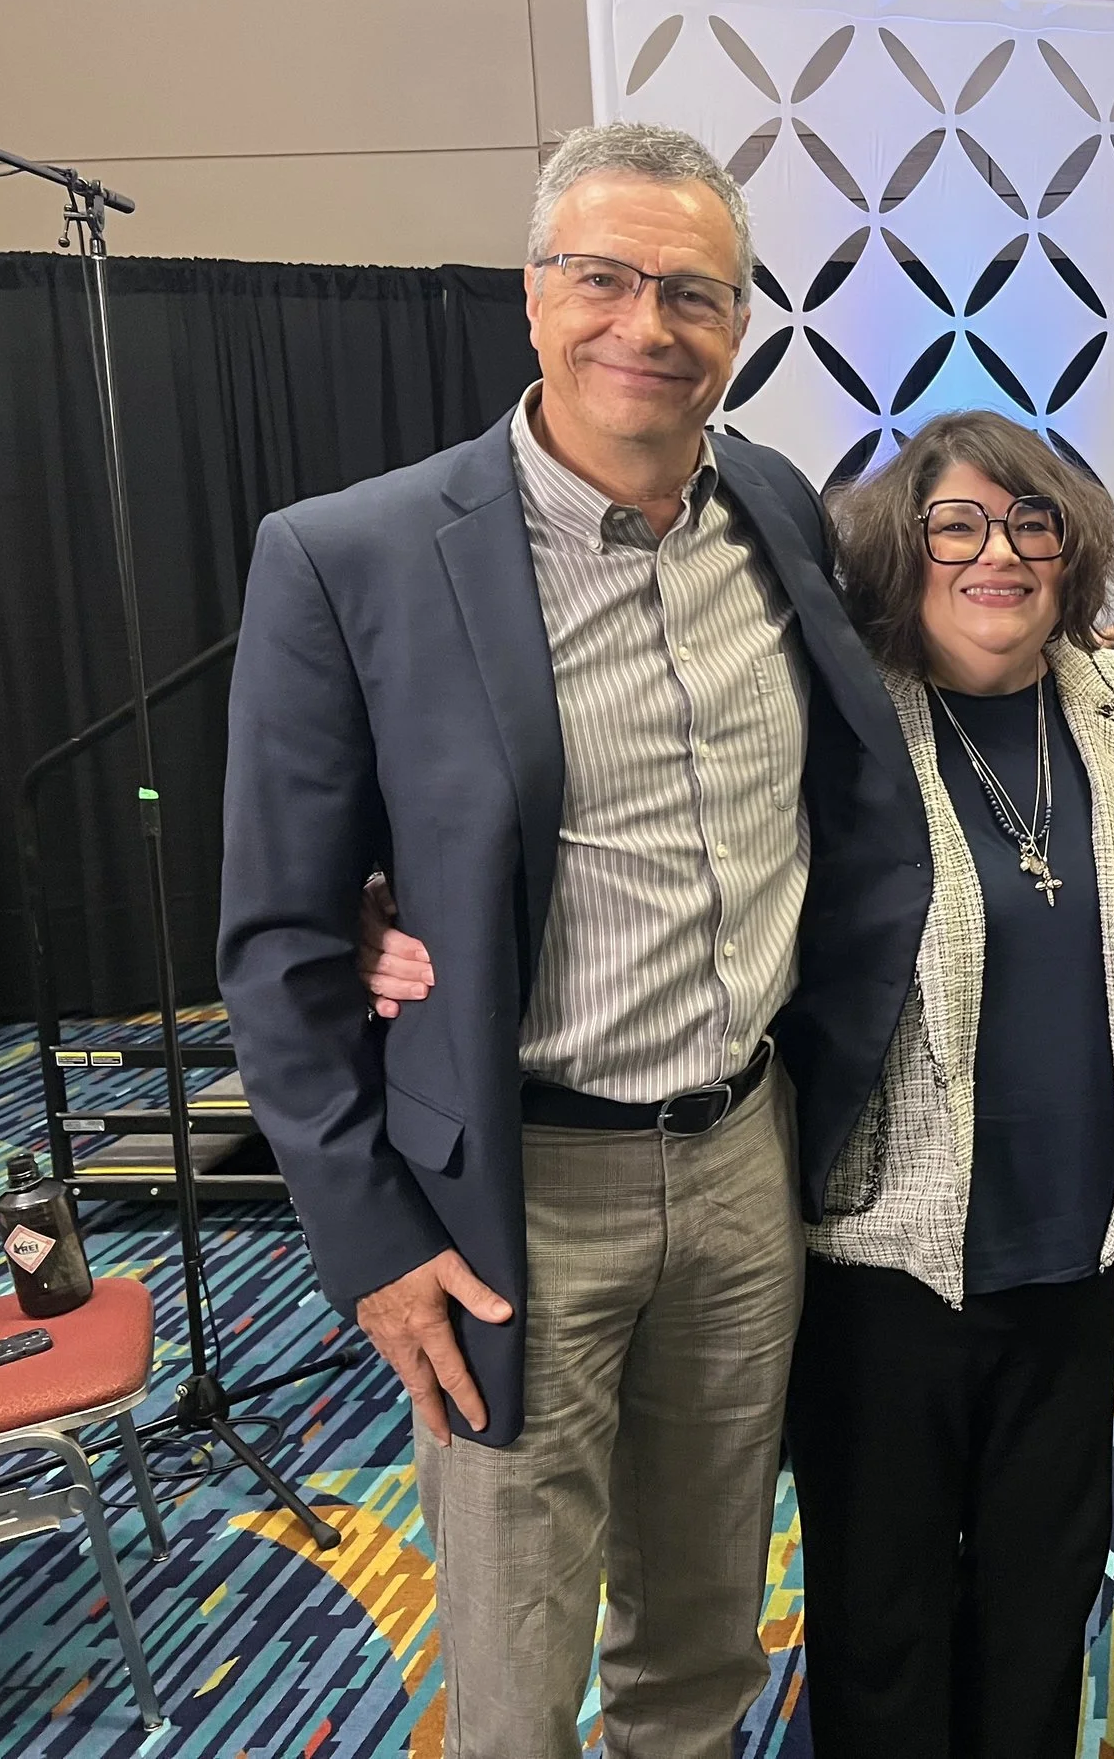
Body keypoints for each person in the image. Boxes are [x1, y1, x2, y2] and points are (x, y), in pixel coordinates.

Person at [215, 122, 927, 1759]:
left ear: (738, 325)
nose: (645, 323)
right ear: (533, 298)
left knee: (703, 1623)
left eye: (692, 290)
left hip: (746, 1157)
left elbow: (847, 786)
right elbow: (283, 939)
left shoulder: (770, 505)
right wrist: (373, 1242)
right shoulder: (354, 557)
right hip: (515, 1193)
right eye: (601, 276)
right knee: (519, 1657)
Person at [787, 409, 1114, 1757]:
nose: (994, 553)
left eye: (1031, 524)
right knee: (883, 1622)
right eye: (957, 523)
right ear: (908, 548)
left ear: (1072, 554)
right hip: (881, 1267)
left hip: (1068, 1257)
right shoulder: (840, 725)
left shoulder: (1108, 707)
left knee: (1038, 1606)